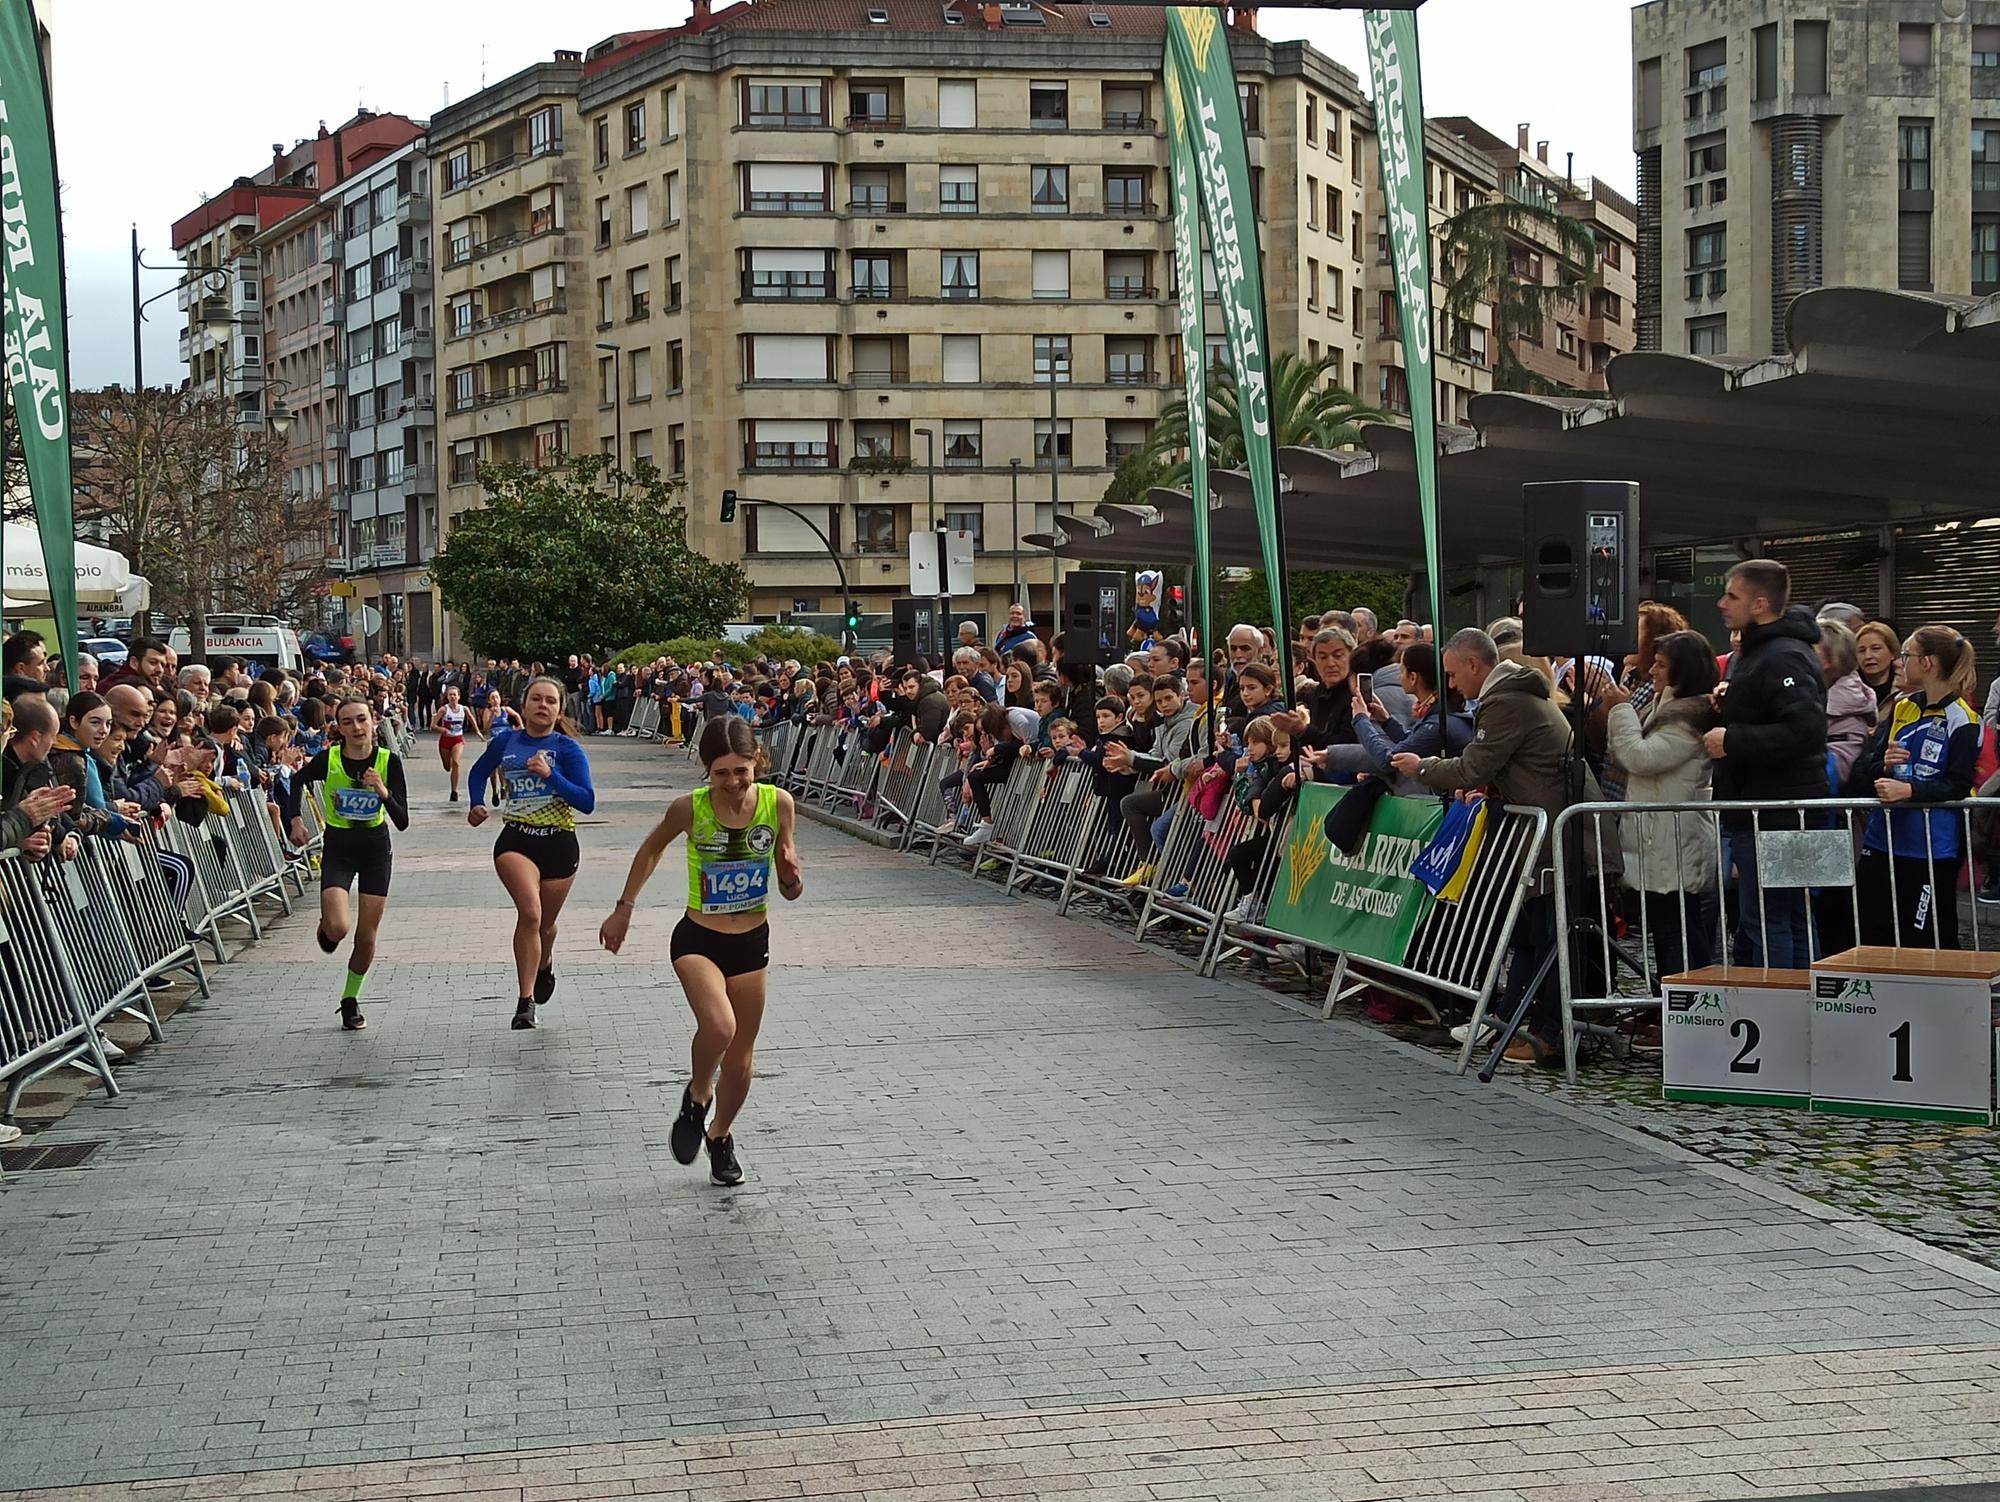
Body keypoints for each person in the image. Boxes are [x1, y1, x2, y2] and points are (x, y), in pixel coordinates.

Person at [598, 715, 802, 1187]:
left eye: (741, 771)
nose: (732, 783)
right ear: (705, 770)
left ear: (758, 763)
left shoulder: (779, 804)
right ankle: (696, 1094)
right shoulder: (689, 809)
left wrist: (790, 873)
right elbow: (650, 849)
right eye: (720, 773)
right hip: (698, 938)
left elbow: (791, 887)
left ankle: (720, 1135)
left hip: (752, 942)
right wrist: (624, 908)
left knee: (742, 1061)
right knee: (720, 1025)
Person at [1393, 629, 1589, 1067]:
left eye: (1451, 674)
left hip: (1552, 838)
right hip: (1550, 835)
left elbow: (1473, 764)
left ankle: (1549, 1034)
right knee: (1533, 936)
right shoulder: (1516, 697)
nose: (1450, 685)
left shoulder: (1504, 702)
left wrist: (1421, 767)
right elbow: (1501, 766)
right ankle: (1523, 1023)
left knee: (1545, 937)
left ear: (1473, 665)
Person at [1704, 560, 1828, 969]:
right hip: (1774, 805)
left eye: (1732, 596)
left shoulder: (1781, 655)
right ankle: (1800, 1007)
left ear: (1759, 604)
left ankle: (1785, 1012)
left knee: (1772, 918)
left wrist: (1733, 739)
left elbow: (1805, 727)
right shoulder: (1766, 652)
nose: (1722, 603)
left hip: (1776, 810)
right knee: (1787, 915)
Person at [466, 677, 596, 1029]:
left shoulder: (567, 749)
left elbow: (587, 802)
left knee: (546, 926)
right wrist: (477, 803)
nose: (542, 705)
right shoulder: (507, 741)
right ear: (523, 706)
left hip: (558, 843)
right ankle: (526, 1001)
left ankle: (545, 960)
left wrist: (551, 775)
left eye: (550, 700)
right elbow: (478, 773)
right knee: (531, 913)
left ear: (559, 709)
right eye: (535, 699)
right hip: (516, 841)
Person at [1849, 626, 1981, 950]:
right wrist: (1886, 766)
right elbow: (1865, 768)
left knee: (1926, 935)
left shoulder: (1963, 719)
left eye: (1905, 656)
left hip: (1931, 847)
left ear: (1928, 663)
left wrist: (1911, 792)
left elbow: (1960, 783)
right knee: (1872, 928)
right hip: (1882, 840)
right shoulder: (1902, 707)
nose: (1899, 663)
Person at [1598, 631, 1721, 978]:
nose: (1652, 670)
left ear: (1683, 670)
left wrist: (1621, 710)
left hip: (1674, 840)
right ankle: (1671, 1004)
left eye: (1661, 664)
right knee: (1670, 926)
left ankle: (1686, 1005)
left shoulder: (1688, 717)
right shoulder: (1666, 705)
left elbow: (1640, 757)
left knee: (1678, 928)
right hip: (1661, 836)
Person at [284, 696, 410, 1030]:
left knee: (366, 937)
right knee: (339, 928)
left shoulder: (388, 761)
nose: (356, 728)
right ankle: (328, 926)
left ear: (373, 722)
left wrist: (383, 791)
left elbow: (402, 821)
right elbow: (297, 779)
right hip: (339, 847)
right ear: (338, 728)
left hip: (374, 850)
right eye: (348, 722)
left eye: (362, 720)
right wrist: (294, 820)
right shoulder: (330, 758)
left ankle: (350, 999)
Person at [431, 683, 477, 802]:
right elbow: (433, 726)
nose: (452, 697)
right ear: (447, 697)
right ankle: (450, 768)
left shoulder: (464, 709)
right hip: (445, 741)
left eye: (454, 695)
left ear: (459, 697)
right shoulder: (443, 709)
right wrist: (442, 729)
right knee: (448, 767)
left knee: (456, 763)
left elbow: (472, 720)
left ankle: (454, 791)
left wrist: (478, 732)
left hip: (458, 739)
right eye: (450, 695)